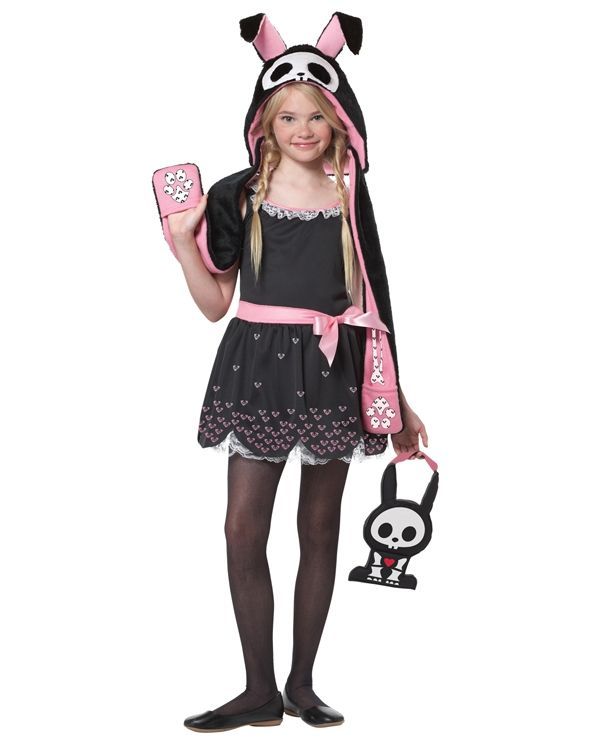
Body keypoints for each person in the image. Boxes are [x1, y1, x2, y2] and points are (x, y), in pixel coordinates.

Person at [165, 15, 428, 733]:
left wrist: (398, 402)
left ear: (340, 118)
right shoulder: (239, 193)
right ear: (264, 122)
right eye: (288, 117)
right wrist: (184, 244)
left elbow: (374, 304)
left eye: (316, 115)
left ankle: (301, 685)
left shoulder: (349, 197)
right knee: (242, 527)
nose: (303, 129)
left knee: (320, 527)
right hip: (256, 366)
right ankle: (256, 690)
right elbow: (214, 305)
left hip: (334, 367)